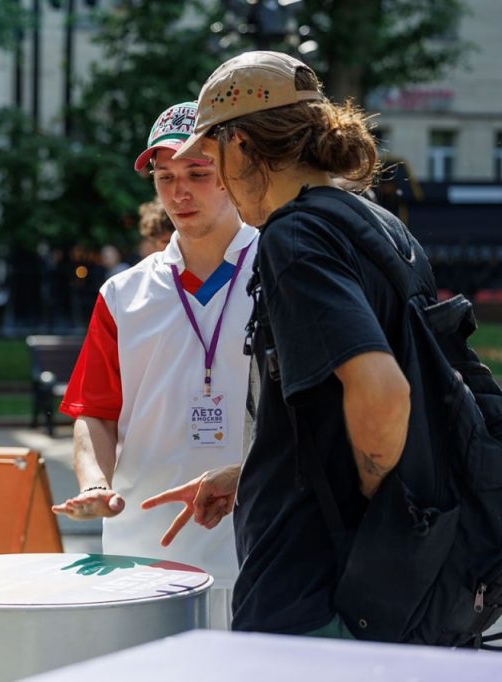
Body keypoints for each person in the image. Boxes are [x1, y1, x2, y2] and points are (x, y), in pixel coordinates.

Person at [146, 51, 412, 639]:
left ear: (240, 146)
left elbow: (384, 394)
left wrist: (366, 511)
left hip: (314, 587)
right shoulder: (374, 222)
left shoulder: (292, 236)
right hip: (380, 593)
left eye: (210, 158)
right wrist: (256, 471)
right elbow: (336, 410)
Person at [51, 101, 258, 630]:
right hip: (142, 554)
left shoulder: (280, 266)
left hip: (254, 549)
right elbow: (95, 411)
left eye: (197, 173)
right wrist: (95, 483)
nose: (178, 191)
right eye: (165, 177)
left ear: (233, 173)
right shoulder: (124, 292)